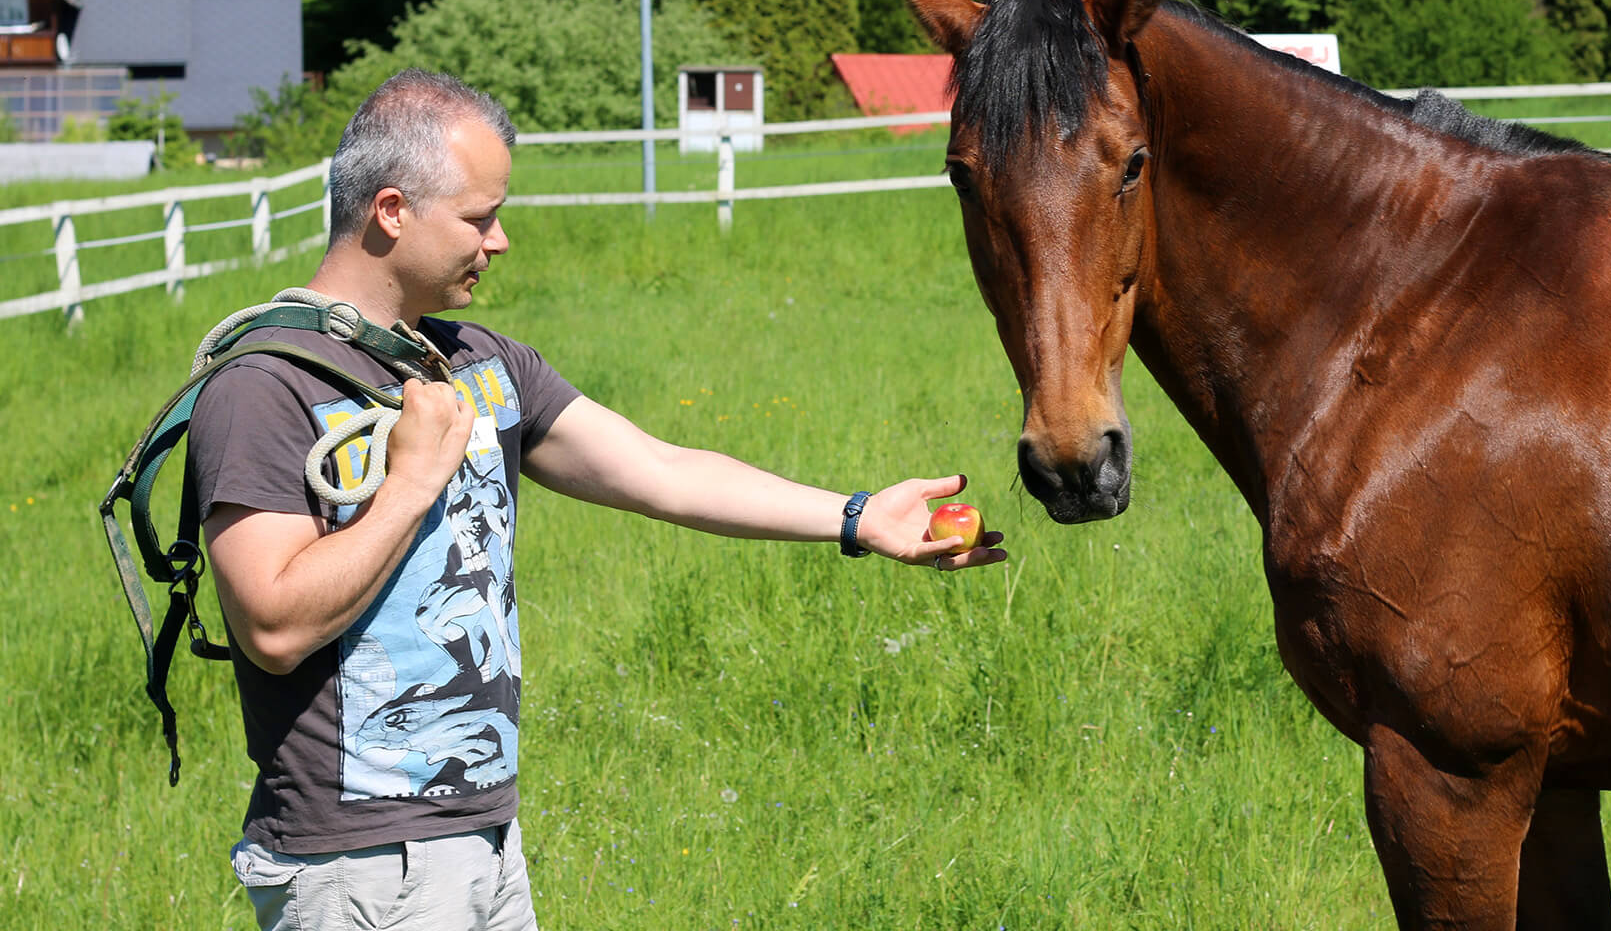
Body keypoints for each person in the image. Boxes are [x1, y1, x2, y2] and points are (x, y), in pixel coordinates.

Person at [189, 68, 1007, 930]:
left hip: (486, 842)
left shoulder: (479, 362)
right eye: (478, 217)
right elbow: (272, 626)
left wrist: (855, 515)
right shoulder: (267, 385)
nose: (499, 239)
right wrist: (414, 483)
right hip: (360, 864)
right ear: (391, 211)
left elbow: (662, 471)